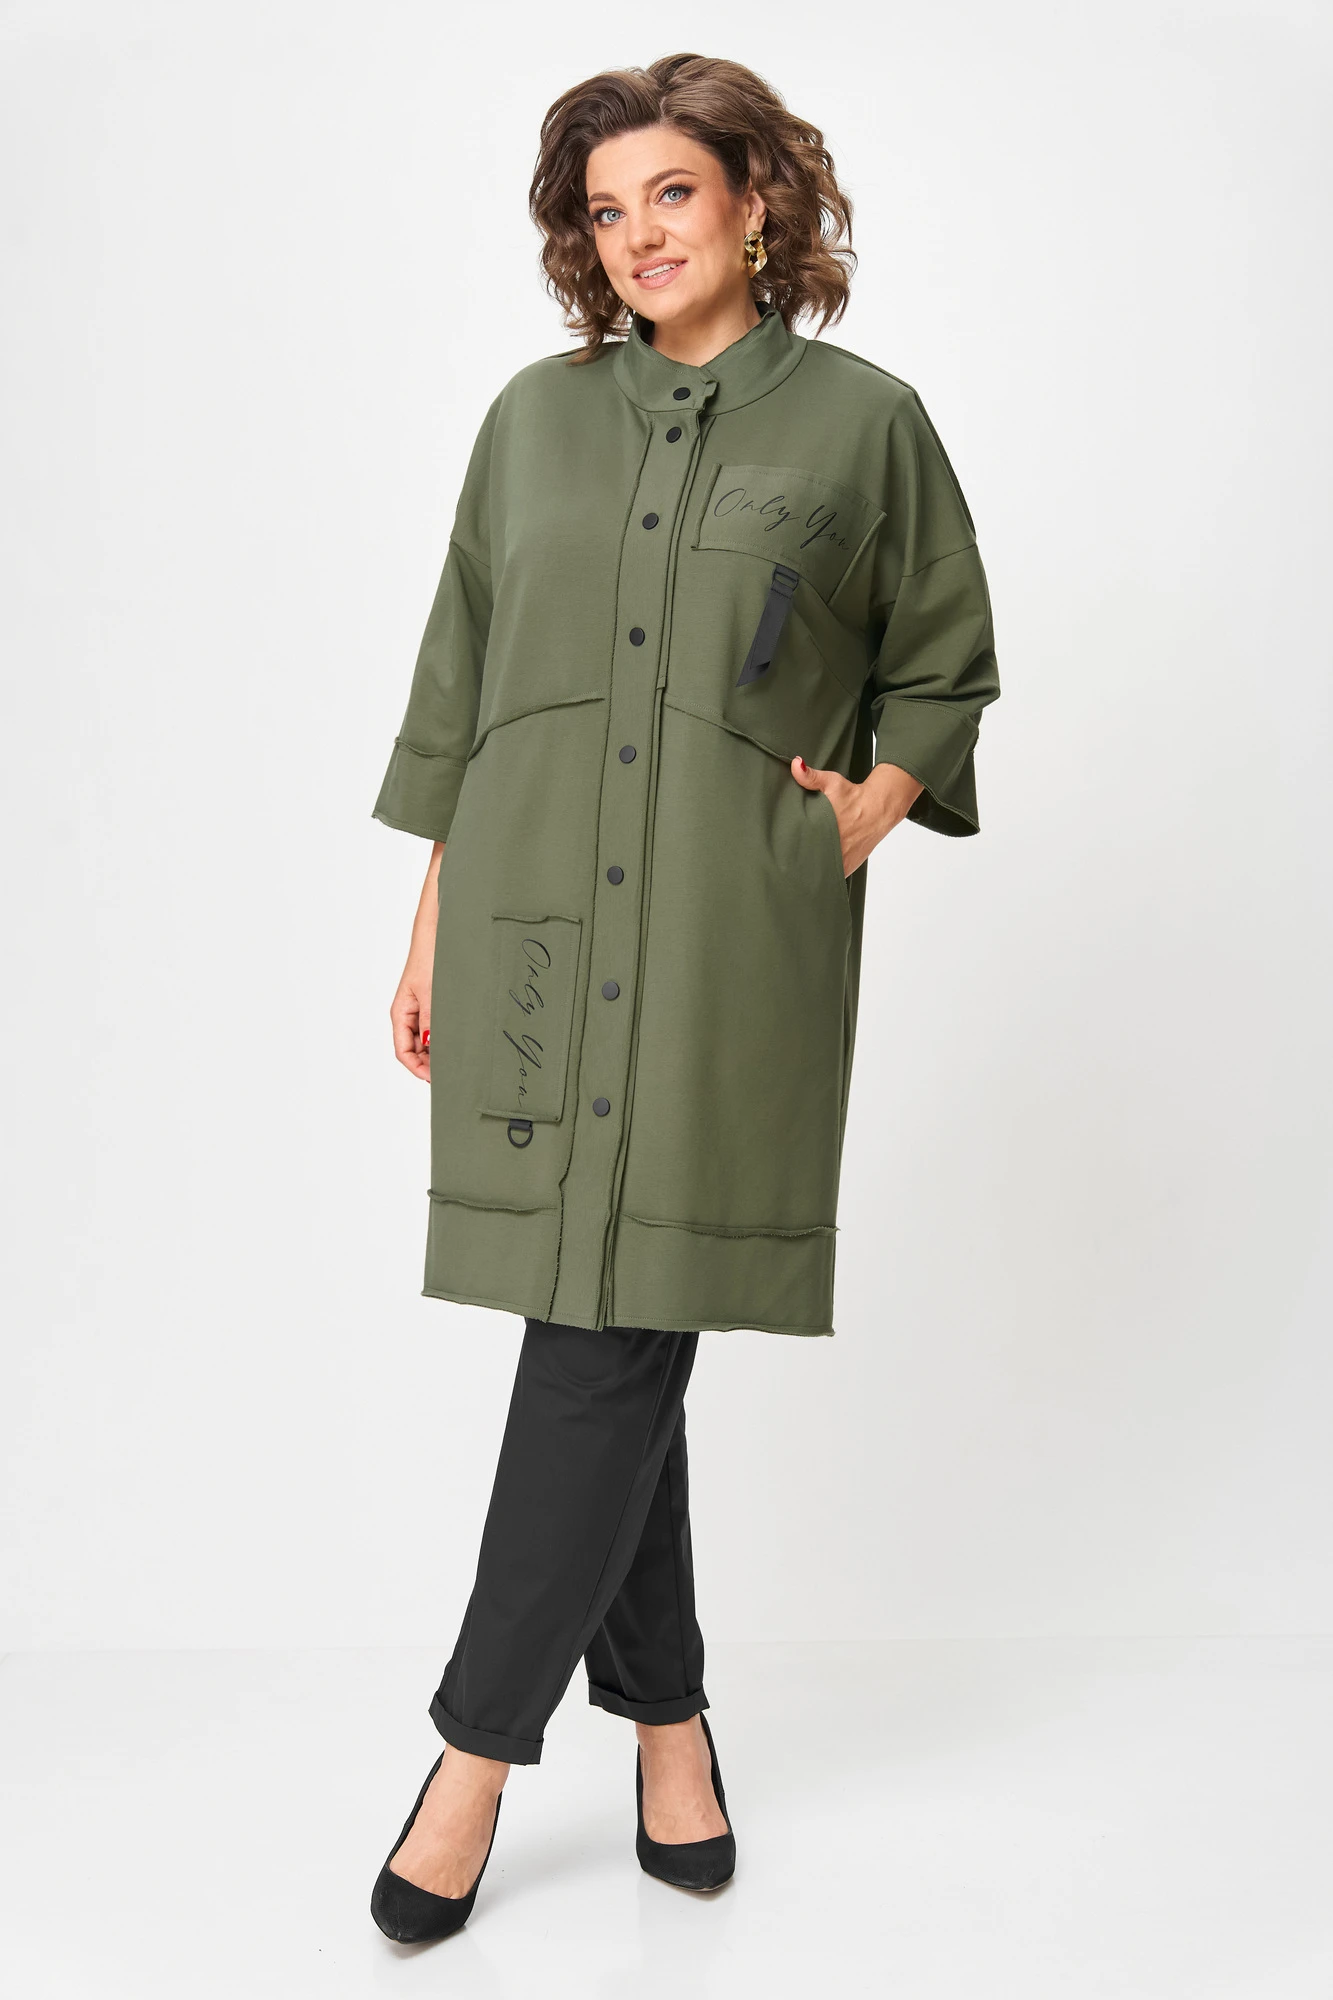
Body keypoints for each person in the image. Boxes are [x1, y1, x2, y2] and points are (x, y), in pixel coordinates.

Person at [367, 52, 1001, 1942]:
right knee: (608, 1314)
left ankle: (470, 1760)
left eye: (671, 193)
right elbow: (467, 677)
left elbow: (948, 662)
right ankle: (672, 1729)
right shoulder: (531, 423)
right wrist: (430, 921)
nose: (637, 234)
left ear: (753, 200)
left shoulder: (867, 427)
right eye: (605, 209)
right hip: (534, 932)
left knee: (609, 1328)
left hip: (730, 940)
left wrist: (863, 812)